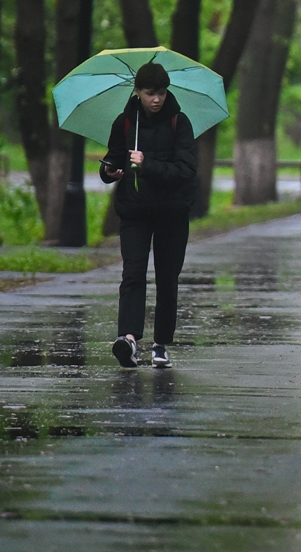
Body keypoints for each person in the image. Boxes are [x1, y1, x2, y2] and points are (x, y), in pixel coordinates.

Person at [100, 62, 196, 369]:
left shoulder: (180, 123)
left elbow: (186, 170)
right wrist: (108, 171)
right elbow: (113, 160)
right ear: (138, 92)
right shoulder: (125, 123)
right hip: (135, 211)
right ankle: (128, 339)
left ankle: (161, 344)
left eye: (162, 93)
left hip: (172, 214)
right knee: (133, 274)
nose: (156, 99)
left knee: (167, 279)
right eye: (150, 93)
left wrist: (148, 164)